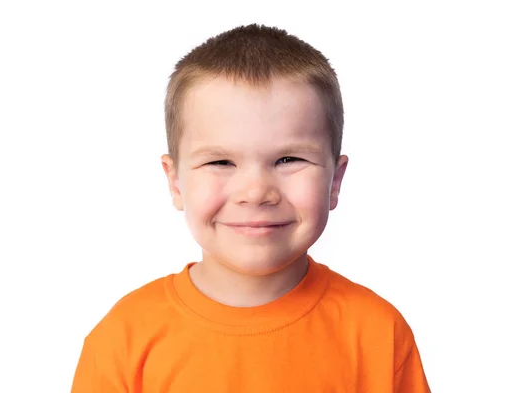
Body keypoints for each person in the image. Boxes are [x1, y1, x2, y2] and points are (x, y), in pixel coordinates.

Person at [71, 23, 430, 392]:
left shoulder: (379, 334)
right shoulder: (122, 340)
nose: (256, 192)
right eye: (221, 162)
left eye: (288, 159)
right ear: (175, 181)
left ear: (334, 181)